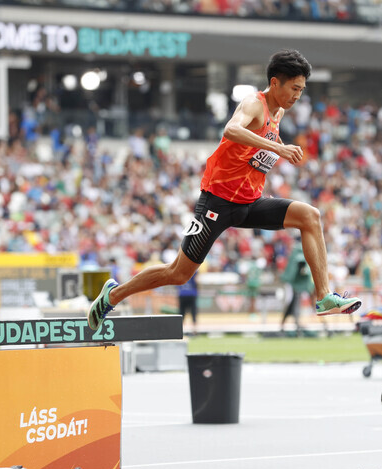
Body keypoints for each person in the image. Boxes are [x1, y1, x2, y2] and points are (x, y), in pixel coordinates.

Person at [87, 49, 361, 330]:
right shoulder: (254, 103)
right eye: (294, 88)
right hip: (216, 204)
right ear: (275, 82)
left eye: (301, 91)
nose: (297, 96)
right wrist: (278, 147)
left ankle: (324, 296)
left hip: (248, 203)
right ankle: (113, 295)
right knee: (179, 274)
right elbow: (231, 130)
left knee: (310, 216)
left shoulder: (278, 113)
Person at [280, 243, 314, 334]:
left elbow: (303, 270)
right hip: (291, 285)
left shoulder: (298, 256)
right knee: (290, 302)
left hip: (296, 284)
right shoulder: (297, 257)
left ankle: (291, 324)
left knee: (292, 303)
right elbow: (296, 271)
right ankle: (294, 324)